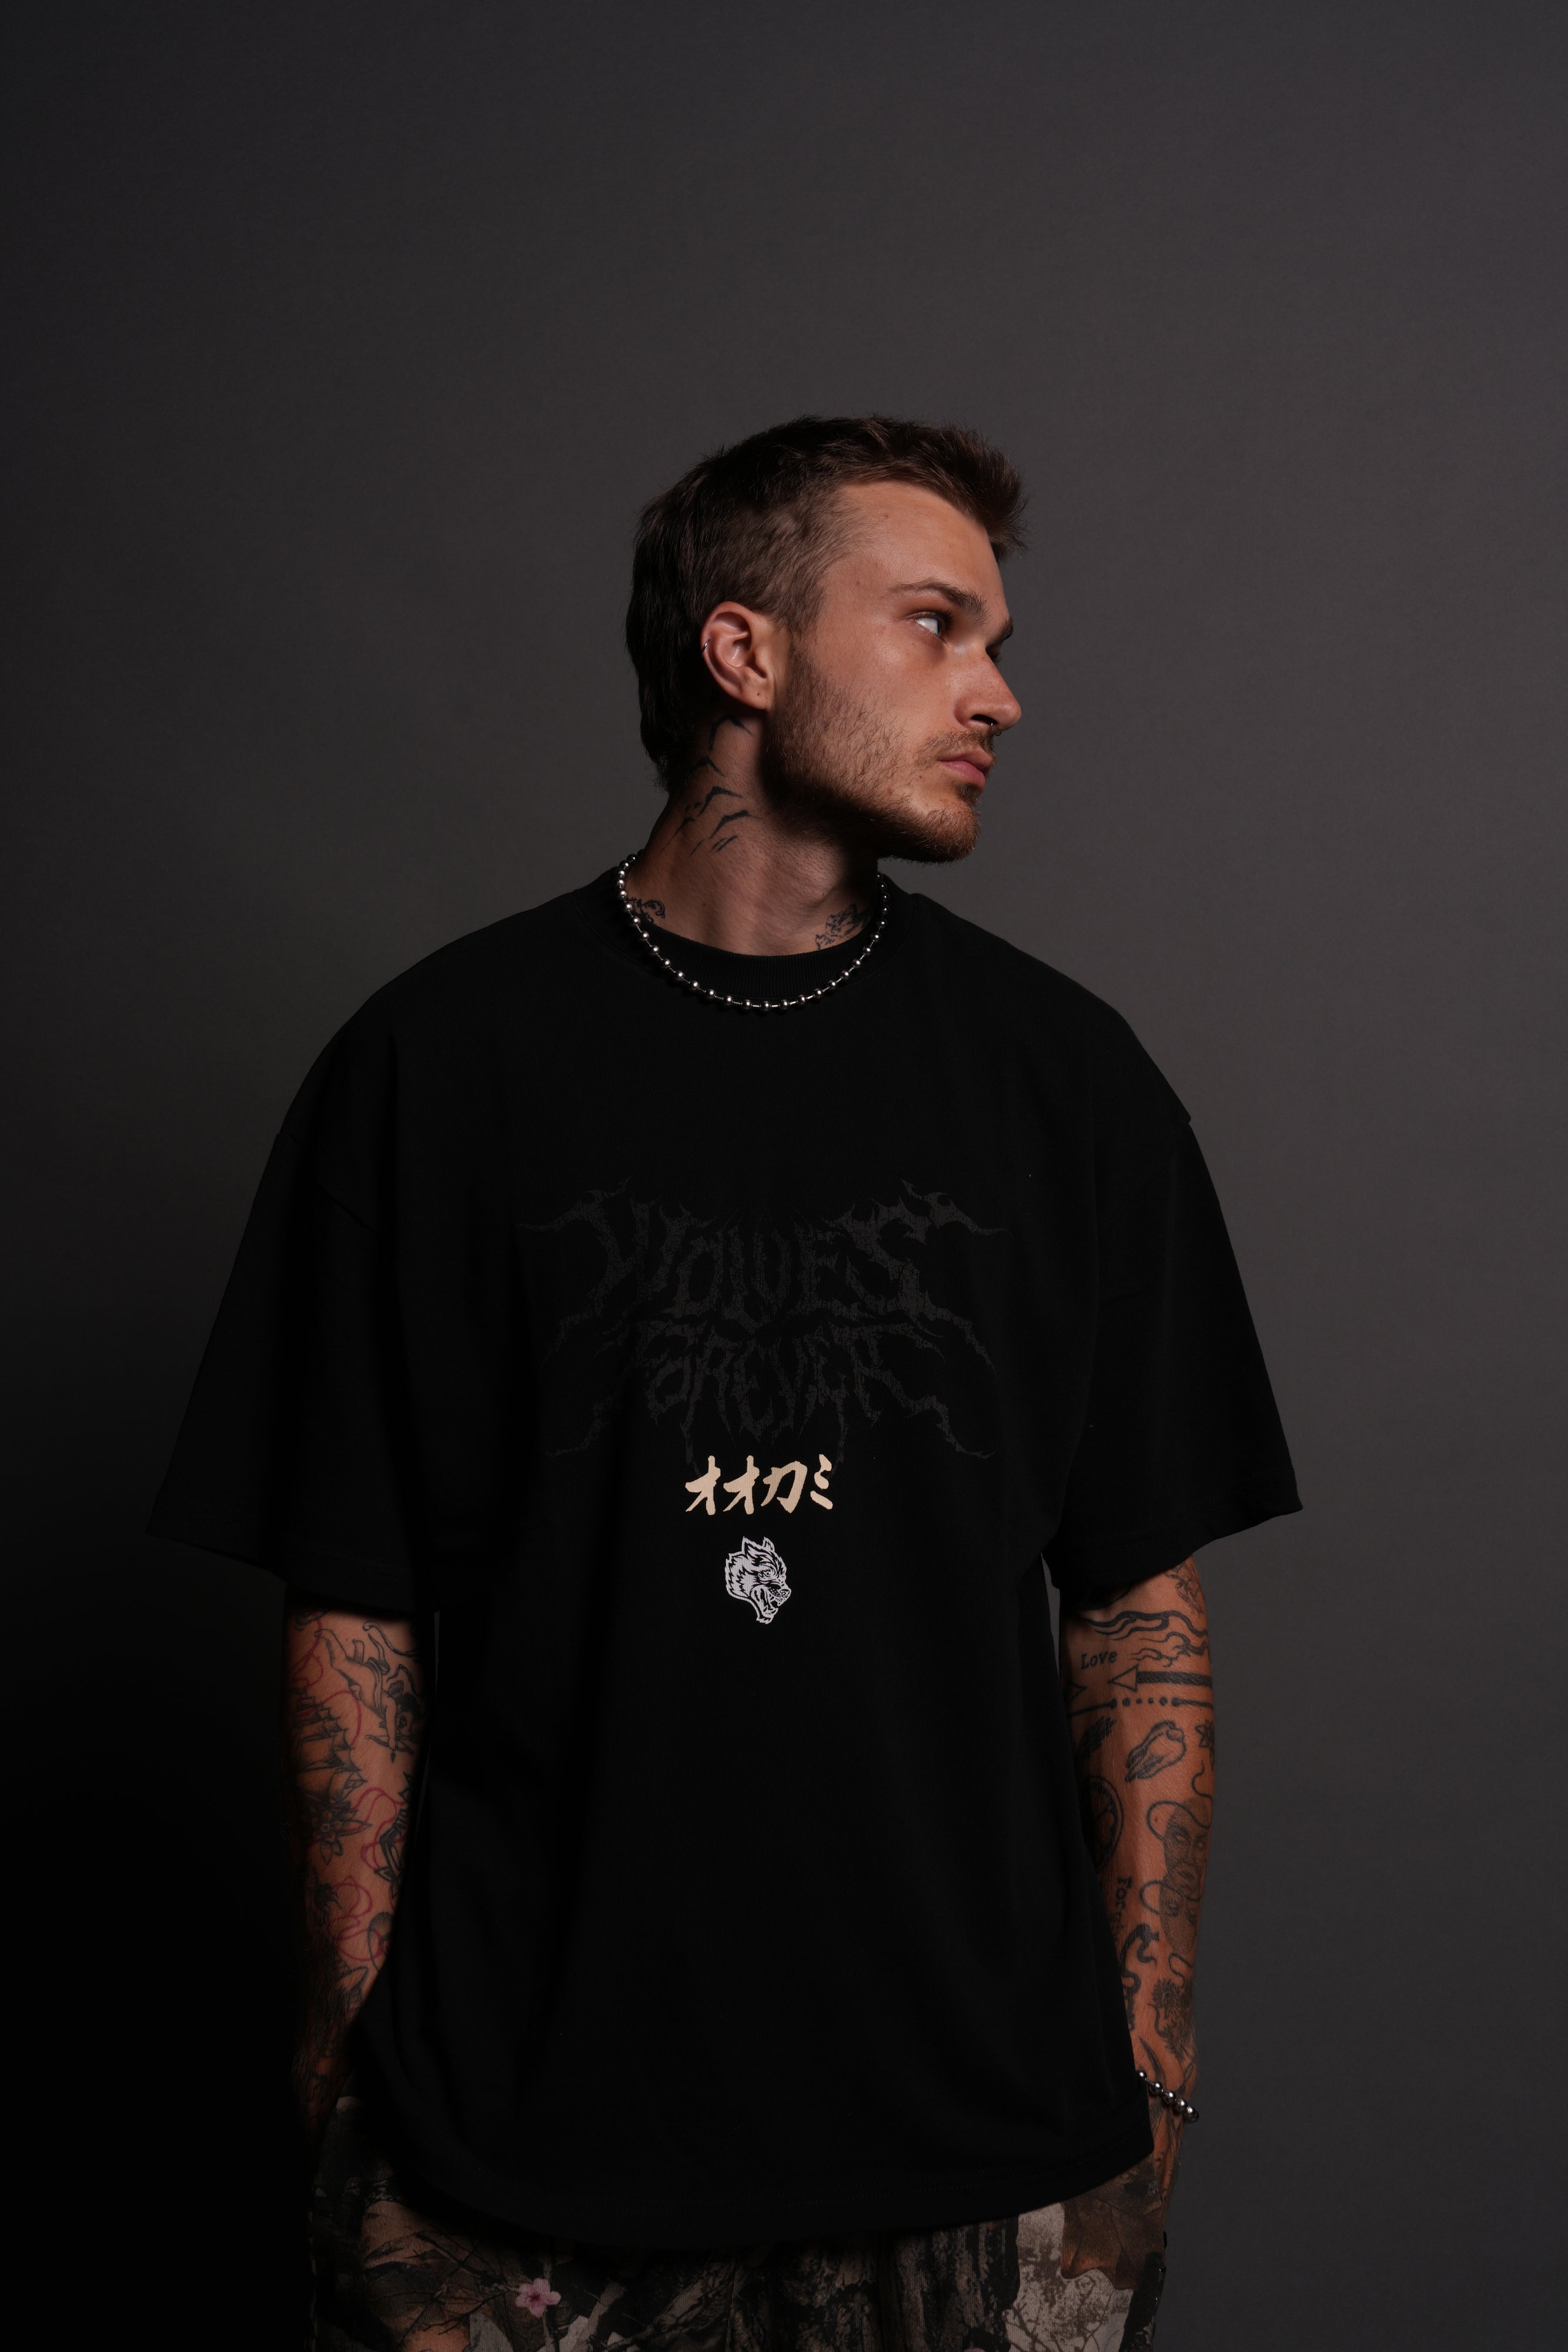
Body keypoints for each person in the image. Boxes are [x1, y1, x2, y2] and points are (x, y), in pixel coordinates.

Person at [151, 415, 1299, 2351]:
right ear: (743, 651)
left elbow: (1135, 1608)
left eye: (997, 641)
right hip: (512, 2148)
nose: (997, 694)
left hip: (987, 2148)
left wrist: (1151, 2059)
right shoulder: (436, 1069)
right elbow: (355, 1604)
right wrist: (352, 2064)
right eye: (933, 625)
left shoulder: (1066, 1085)